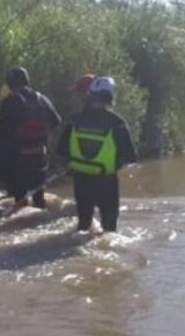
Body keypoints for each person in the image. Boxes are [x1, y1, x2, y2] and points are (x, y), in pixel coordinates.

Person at [57, 76, 137, 233]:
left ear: (91, 94)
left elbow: (61, 150)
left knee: (83, 226)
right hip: (106, 181)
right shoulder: (117, 122)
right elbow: (131, 156)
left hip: (81, 180)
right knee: (109, 229)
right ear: (112, 97)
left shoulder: (75, 119)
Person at [0, 67, 61, 208]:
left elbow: (0, 129)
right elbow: (57, 121)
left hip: (18, 156)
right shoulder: (42, 99)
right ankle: (38, 218)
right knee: (38, 196)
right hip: (39, 154)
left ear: (10, 84)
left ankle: (19, 221)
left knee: (20, 198)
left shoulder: (10, 102)